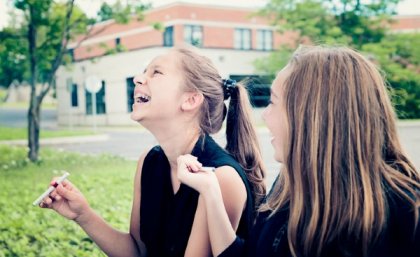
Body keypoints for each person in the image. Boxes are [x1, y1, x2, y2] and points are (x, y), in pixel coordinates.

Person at [177, 45, 420, 257]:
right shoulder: (289, 183)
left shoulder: (403, 212)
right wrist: (210, 192)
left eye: (273, 102)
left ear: (312, 116)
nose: (265, 114)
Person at [39, 45, 266, 257]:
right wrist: (83, 215)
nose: (138, 79)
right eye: (143, 72)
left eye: (156, 72)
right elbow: (137, 251)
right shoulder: (149, 162)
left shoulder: (221, 179)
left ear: (191, 99)